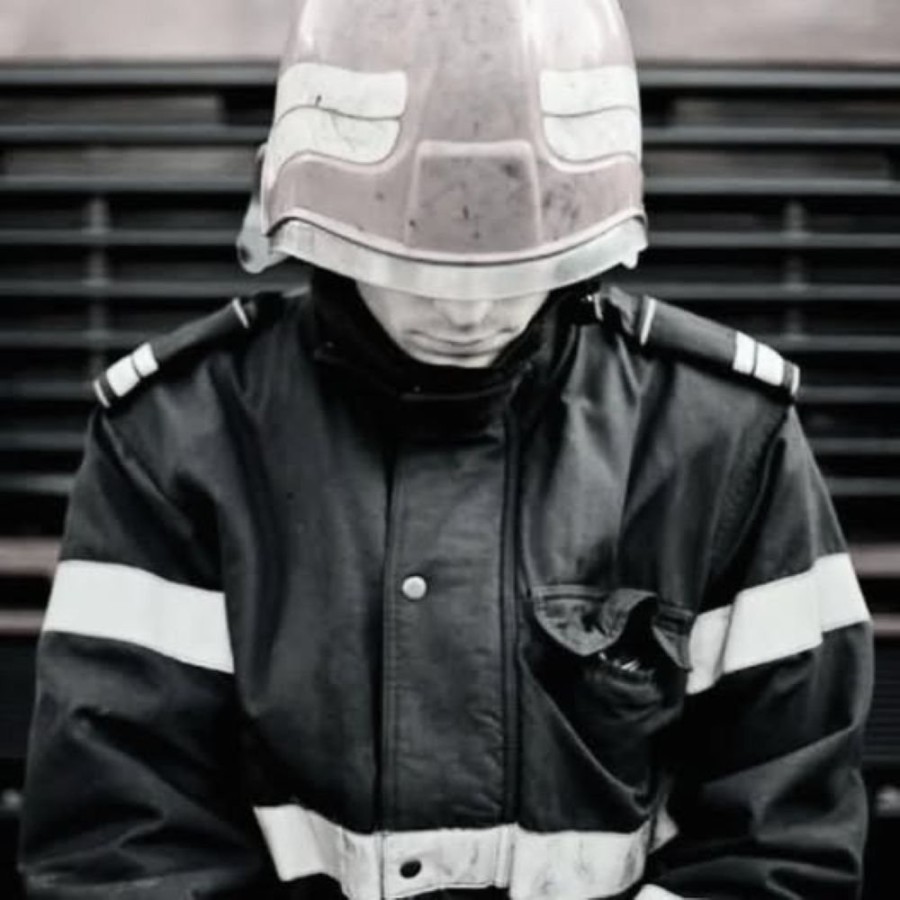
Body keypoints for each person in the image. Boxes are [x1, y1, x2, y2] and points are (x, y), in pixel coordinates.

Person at [20, 1, 873, 898]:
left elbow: (782, 842)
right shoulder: (177, 441)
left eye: (512, 269)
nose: (468, 313)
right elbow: (121, 839)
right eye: (415, 265)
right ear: (315, 227)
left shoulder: (722, 438)